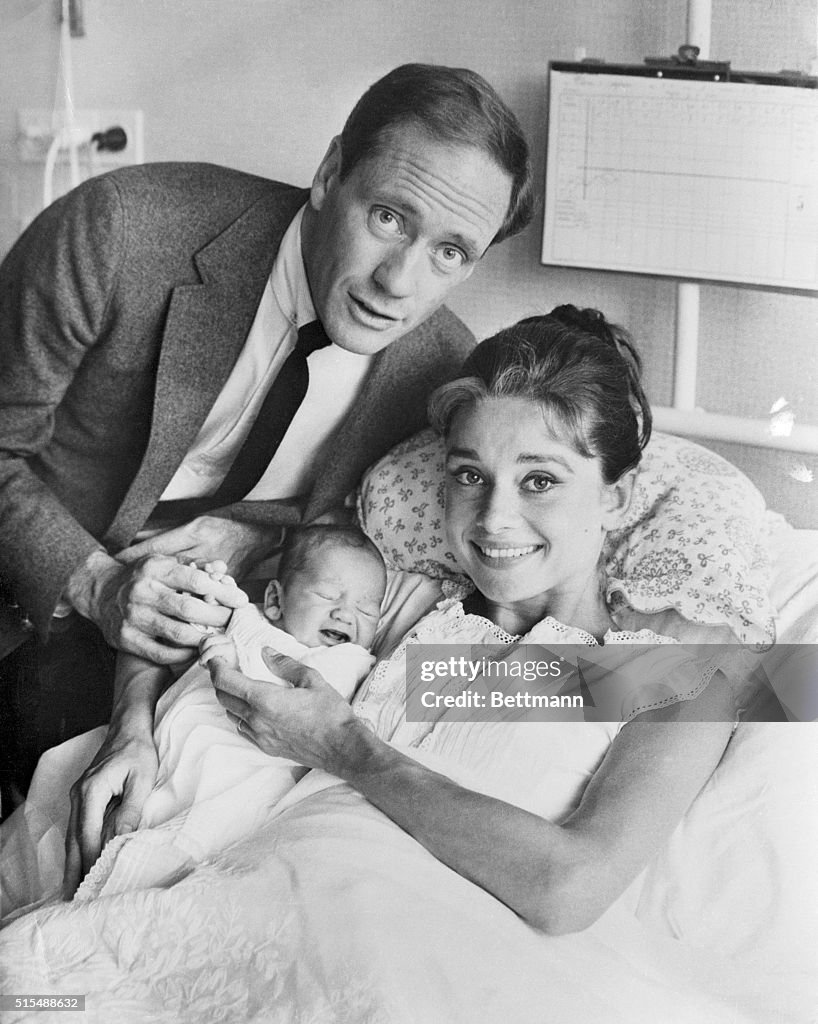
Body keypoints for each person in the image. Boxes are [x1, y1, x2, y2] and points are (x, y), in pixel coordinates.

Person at [0, 308, 746, 1024]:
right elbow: (179, 593)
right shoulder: (406, 599)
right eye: (468, 474)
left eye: (540, 480)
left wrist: (345, 748)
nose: (493, 520)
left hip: (424, 967)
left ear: (615, 499)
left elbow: (568, 886)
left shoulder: (670, 668)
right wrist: (132, 724)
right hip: (245, 915)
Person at [0, 63, 534, 804]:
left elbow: (595, 681)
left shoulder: (437, 374)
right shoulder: (119, 230)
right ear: (328, 174)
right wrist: (96, 584)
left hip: (203, 681)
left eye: (451, 251)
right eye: (389, 218)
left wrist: (258, 539)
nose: (400, 284)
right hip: (35, 600)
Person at [65, 525, 387, 899]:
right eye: (328, 594)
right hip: (162, 756)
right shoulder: (247, 620)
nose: (347, 614)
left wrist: (230, 663)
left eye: (368, 610)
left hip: (233, 785)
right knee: (103, 839)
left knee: (169, 861)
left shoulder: (354, 660)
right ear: (276, 601)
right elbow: (195, 619)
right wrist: (209, 587)